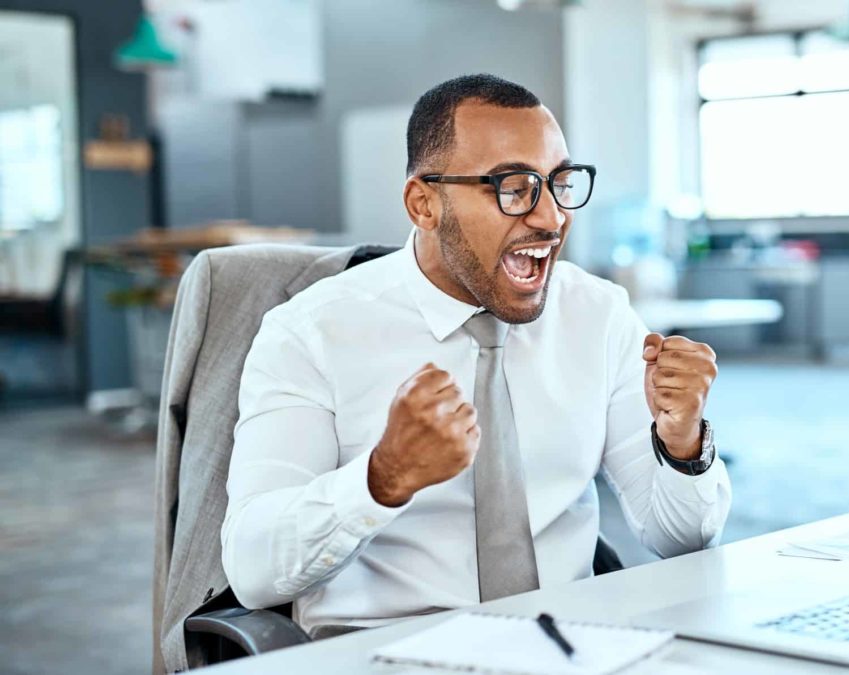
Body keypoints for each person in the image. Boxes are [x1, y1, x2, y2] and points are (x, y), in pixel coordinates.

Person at [221, 73, 732, 634]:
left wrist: (683, 443)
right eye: (514, 187)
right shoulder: (310, 332)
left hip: (570, 642)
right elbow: (252, 571)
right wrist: (379, 480)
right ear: (424, 205)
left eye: (560, 183)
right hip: (385, 649)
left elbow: (681, 539)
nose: (551, 218)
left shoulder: (598, 314)